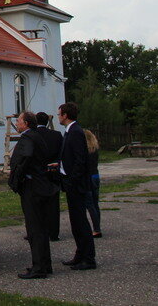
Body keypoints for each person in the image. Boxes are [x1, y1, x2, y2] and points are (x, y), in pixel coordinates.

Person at [9, 111, 59, 279]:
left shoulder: (28, 138)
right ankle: (45, 264)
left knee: (35, 228)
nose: (16, 123)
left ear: (26, 123)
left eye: (19, 120)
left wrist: (17, 175)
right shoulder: (36, 136)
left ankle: (39, 267)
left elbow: (26, 157)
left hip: (33, 187)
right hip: (41, 185)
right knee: (42, 227)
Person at [57, 102, 97, 270]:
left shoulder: (76, 132)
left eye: (59, 114)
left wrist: (72, 179)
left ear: (66, 115)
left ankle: (88, 258)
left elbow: (80, 159)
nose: (58, 116)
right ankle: (80, 254)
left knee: (80, 221)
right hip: (70, 182)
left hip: (76, 185)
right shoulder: (69, 132)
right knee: (75, 221)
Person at [35, 111, 63, 241]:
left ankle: (39, 231)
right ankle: (54, 232)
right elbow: (62, 153)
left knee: (38, 205)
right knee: (53, 205)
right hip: (53, 173)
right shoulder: (57, 135)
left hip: (38, 174)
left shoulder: (33, 135)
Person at [83, 129, 102, 238]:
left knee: (89, 204)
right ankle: (97, 226)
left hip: (88, 177)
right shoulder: (95, 149)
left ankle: (96, 228)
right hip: (95, 175)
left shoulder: (85, 150)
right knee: (95, 203)